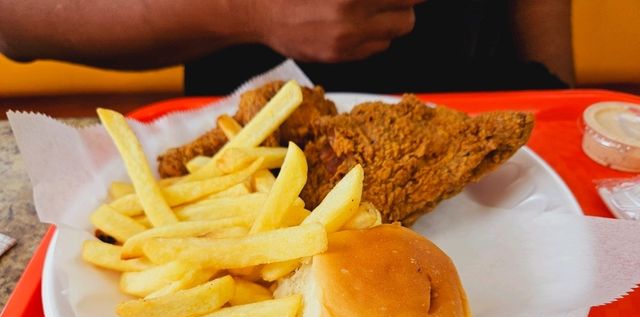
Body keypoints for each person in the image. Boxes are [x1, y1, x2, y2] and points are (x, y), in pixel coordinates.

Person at [0, 0, 573, 95]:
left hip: (499, 130)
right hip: (256, 159)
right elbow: (17, 22)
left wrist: (564, 97)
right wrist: (250, 11)